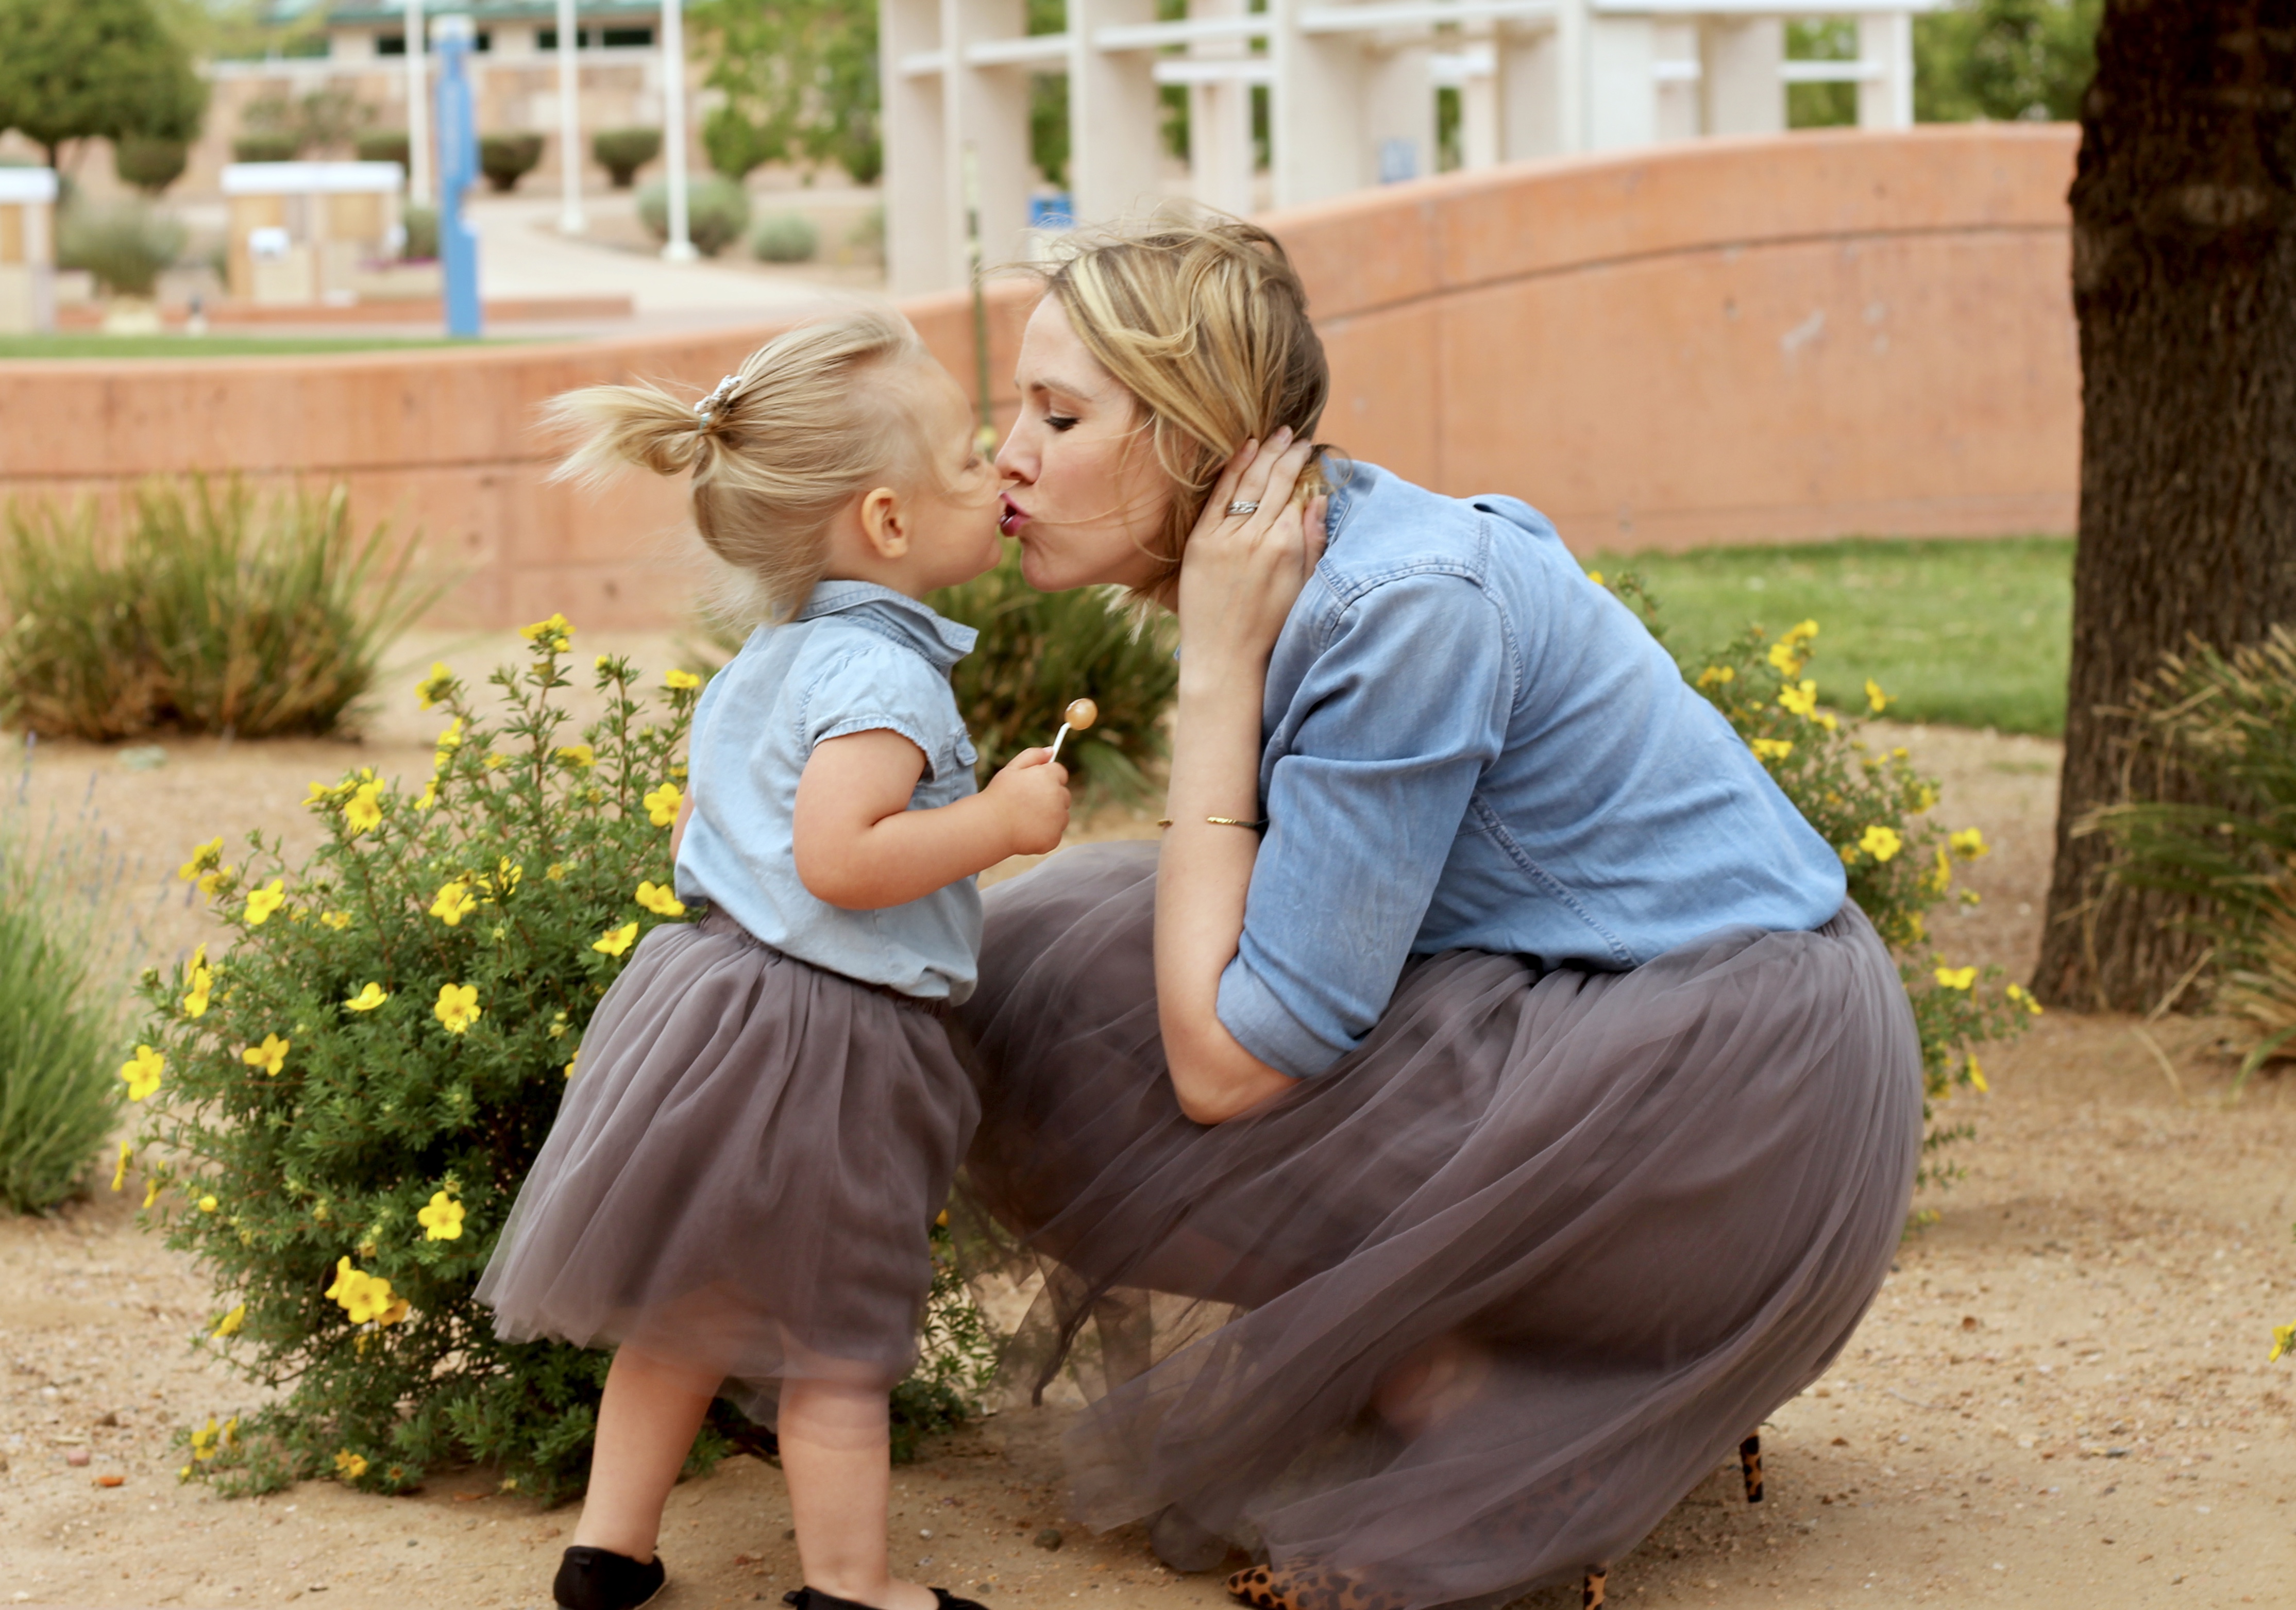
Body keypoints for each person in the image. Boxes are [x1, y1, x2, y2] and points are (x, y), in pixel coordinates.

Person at [955, 217, 1924, 1609]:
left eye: (1060, 414)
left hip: (1732, 1099)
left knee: (1103, 1019)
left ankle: (1496, 1408)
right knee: (1049, 960)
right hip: (1611, 1005)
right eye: (1017, 408)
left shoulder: (1400, 610)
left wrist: (1219, 675)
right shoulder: (1335, 551)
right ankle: (1464, 1372)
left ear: (1197, 441)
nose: (1012, 453)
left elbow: (1229, 1066)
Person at [477, 308, 1071, 1610]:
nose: (1002, 475)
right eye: (972, 460)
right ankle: (855, 1587)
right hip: (826, 1039)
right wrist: (1001, 826)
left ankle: (608, 1547)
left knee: (682, 1312)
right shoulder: (887, 675)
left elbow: (710, 824)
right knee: (836, 1335)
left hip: (710, 1003)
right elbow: (842, 860)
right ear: (889, 522)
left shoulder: (772, 654)